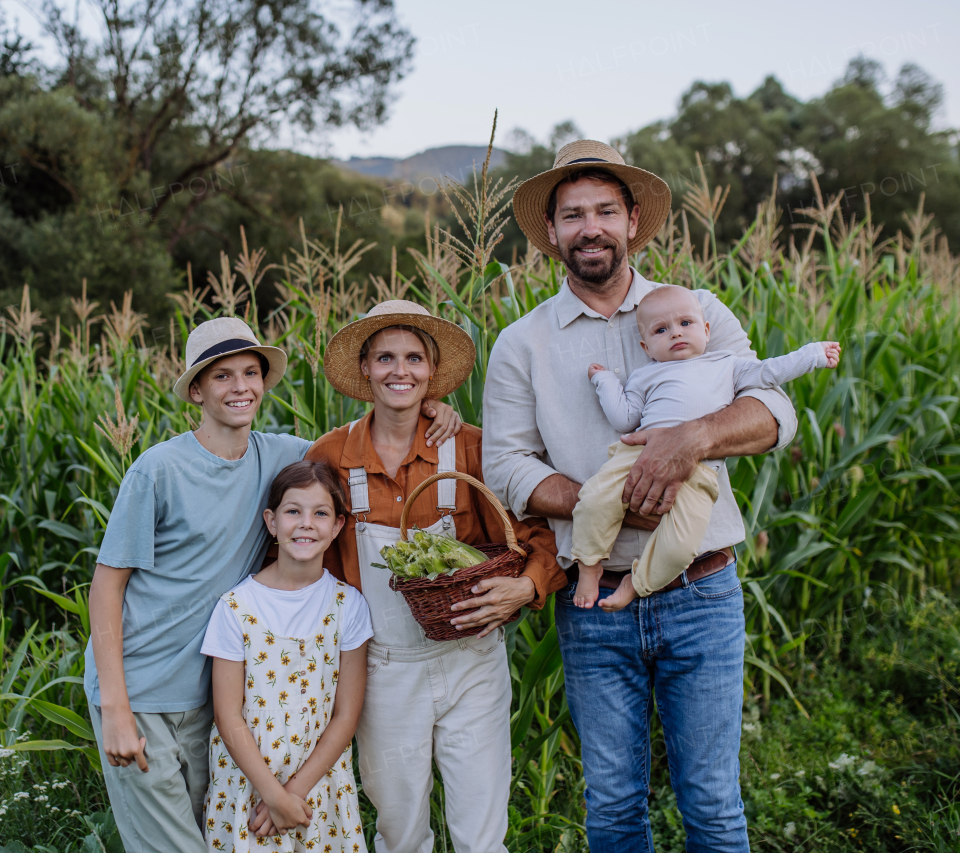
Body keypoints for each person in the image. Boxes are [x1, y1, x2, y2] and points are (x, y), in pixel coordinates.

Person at [484, 139, 800, 852]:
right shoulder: (522, 343)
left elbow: (775, 415)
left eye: (603, 210)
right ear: (554, 234)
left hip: (703, 592)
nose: (589, 227)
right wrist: (613, 501)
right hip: (592, 604)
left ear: (631, 219)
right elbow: (505, 466)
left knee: (713, 803)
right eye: (572, 215)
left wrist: (690, 440)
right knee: (616, 805)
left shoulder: (696, 311)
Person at [84, 316, 461, 853]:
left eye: (251, 373)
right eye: (222, 377)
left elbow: (363, 443)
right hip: (142, 689)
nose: (240, 387)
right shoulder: (158, 470)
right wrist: (116, 709)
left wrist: (427, 408)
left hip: (205, 696)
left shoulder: (281, 454)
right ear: (197, 390)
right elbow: (106, 586)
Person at [305, 300, 560, 853]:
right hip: (382, 670)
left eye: (415, 359)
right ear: (366, 369)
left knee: (481, 832)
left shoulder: (470, 446)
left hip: (472, 662)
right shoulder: (329, 455)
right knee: (399, 829)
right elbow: (309, 560)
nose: (401, 371)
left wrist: (526, 585)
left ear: (432, 371)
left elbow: (538, 534)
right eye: (386, 358)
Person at [573, 284, 842, 610]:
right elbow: (624, 418)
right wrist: (605, 382)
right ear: (646, 346)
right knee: (594, 499)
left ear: (706, 329)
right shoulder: (647, 375)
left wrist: (812, 355)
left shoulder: (727, 364)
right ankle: (589, 564)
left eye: (685, 323)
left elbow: (770, 372)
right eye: (662, 330)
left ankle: (637, 582)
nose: (675, 334)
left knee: (679, 546)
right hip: (638, 456)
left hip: (698, 470)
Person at [200, 460, 372, 852]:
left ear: (338, 527)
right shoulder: (236, 607)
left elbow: (346, 715)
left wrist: (294, 793)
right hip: (248, 786)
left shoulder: (349, 606)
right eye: (293, 511)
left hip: (317, 785)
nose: (306, 523)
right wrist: (273, 797)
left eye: (321, 513)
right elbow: (227, 714)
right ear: (272, 521)